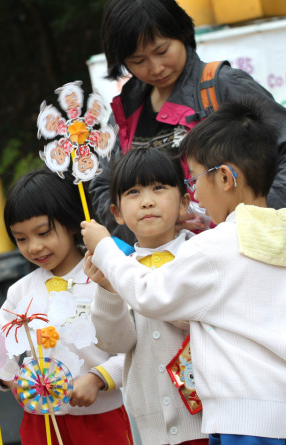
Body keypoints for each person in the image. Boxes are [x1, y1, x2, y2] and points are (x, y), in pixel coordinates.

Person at [81, 98, 286, 443]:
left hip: (243, 421)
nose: (196, 193)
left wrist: (104, 248)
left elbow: (149, 294)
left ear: (224, 177)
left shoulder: (213, 247)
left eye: (195, 179)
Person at [89, 0, 286, 245]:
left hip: (236, 259)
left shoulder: (223, 87)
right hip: (163, 270)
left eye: (162, 51)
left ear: (182, 33)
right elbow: (103, 188)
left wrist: (251, 222)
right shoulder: (125, 112)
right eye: (138, 60)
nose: (156, 67)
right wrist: (150, 229)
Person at [85, 146, 209, 445]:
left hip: (210, 422)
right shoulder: (117, 268)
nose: (147, 201)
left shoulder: (201, 255)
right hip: (153, 432)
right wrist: (108, 290)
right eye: (133, 192)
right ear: (116, 213)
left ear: (183, 203)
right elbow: (116, 342)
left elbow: (194, 319)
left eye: (158, 188)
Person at [0, 169, 132, 445]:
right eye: (21, 239)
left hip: (101, 421)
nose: (34, 247)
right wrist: (11, 377)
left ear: (72, 223)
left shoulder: (104, 277)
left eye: (43, 232)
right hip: (39, 422)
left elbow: (132, 348)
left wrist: (97, 378)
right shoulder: (19, 292)